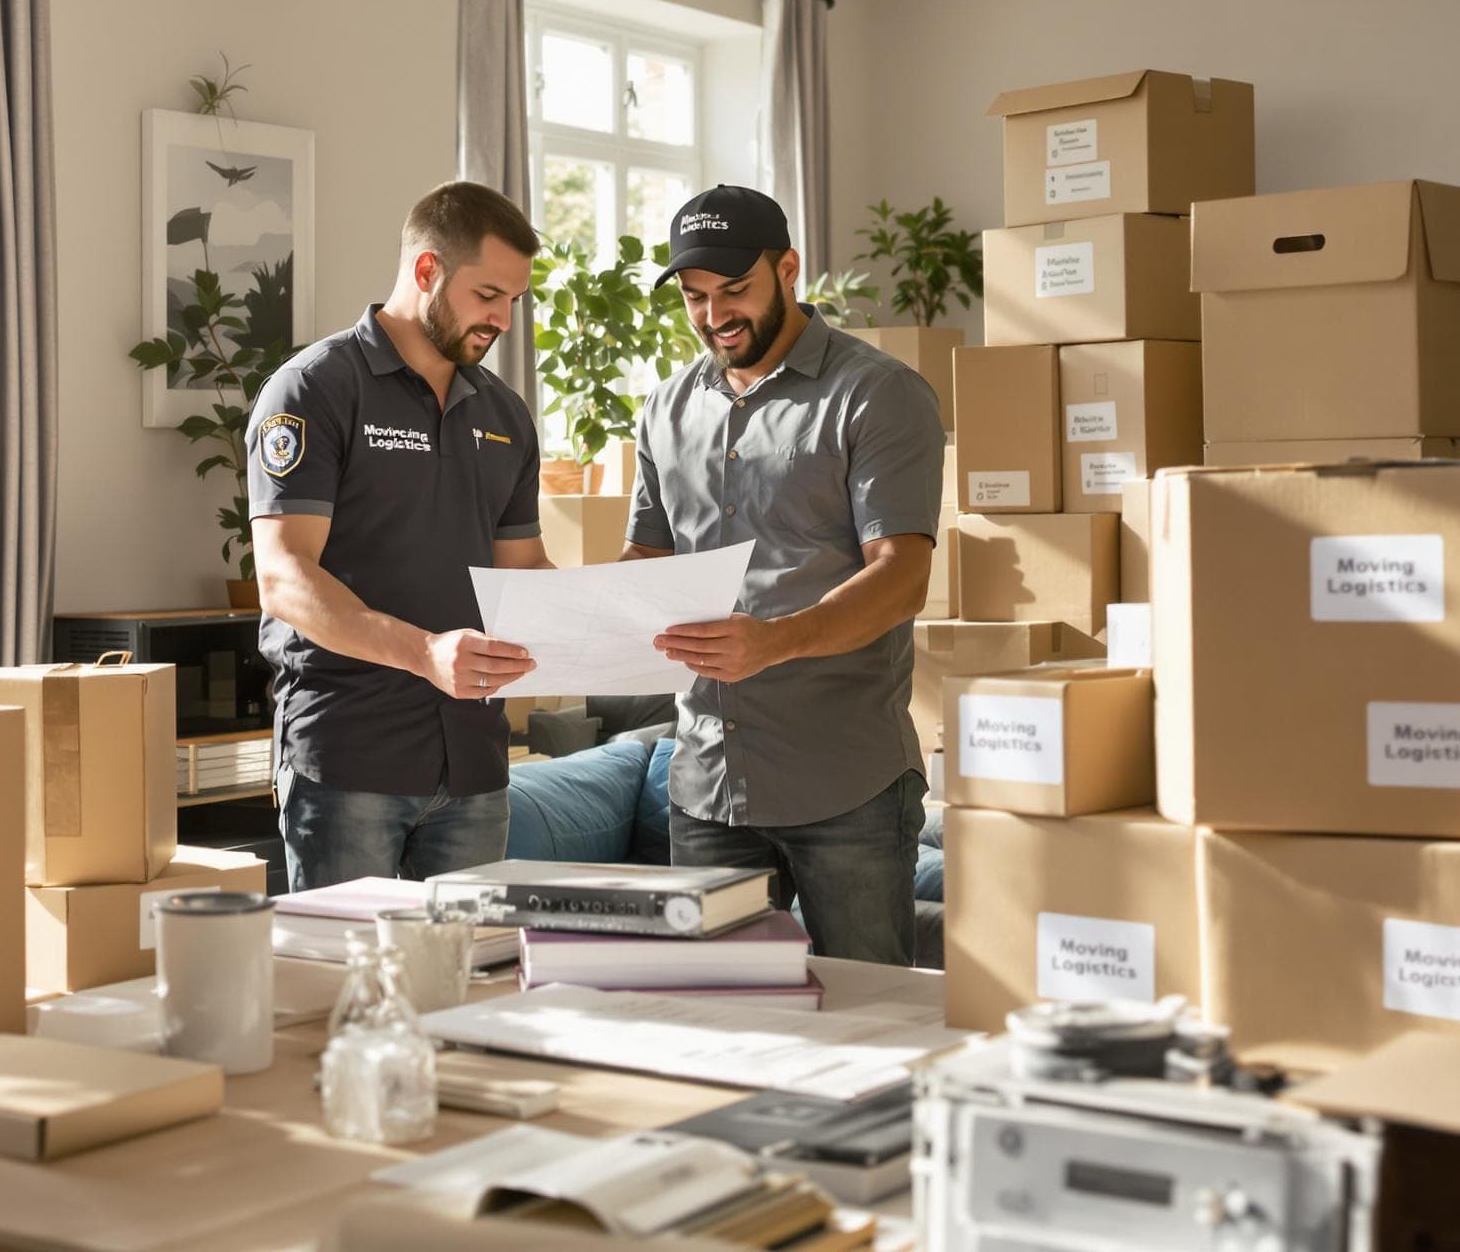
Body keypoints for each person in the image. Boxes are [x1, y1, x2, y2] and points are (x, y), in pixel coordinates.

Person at [623, 183, 943, 964]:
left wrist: (774, 642)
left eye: (735, 289)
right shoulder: (664, 410)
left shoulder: (878, 394)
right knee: (716, 1016)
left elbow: (902, 578)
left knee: (873, 1018)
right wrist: (575, 616)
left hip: (846, 784)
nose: (713, 315)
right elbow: (648, 562)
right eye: (695, 296)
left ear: (789, 268)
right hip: (706, 782)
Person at [246, 181, 551, 891]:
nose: (503, 319)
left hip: (476, 766)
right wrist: (425, 653)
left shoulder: (507, 414)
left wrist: (619, 623)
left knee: (469, 991)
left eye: (514, 300)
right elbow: (284, 576)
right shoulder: (313, 390)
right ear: (426, 272)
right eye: (487, 296)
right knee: (347, 991)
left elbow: (525, 567)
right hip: (350, 763)